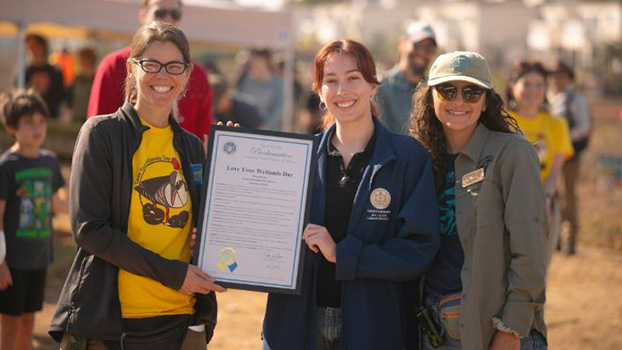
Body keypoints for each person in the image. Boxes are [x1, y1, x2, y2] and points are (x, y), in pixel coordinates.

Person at [49, 22, 224, 350]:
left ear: (187, 75)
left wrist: (235, 161)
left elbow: (208, 228)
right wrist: (174, 274)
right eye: (151, 65)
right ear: (132, 68)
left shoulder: (191, 147)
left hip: (181, 323)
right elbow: (89, 230)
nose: (163, 76)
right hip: (114, 325)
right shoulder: (101, 134)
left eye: (174, 66)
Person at [262, 39, 439, 350]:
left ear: (373, 85)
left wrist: (342, 255)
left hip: (375, 327)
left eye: (353, 78)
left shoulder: (409, 158)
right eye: (331, 81)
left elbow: (418, 251)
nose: (342, 90)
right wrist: (232, 161)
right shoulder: (294, 159)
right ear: (319, 91)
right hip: (297, 326)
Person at [411, 51, 548, 350]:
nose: (459, 101)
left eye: (471, 92)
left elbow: (532, 248)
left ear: (486, 101)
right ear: (430, 97)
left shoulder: (512, 154)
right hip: (432, 328)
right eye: (448, 90)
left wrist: (512, 327)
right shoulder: (419, 160)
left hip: (492, 328)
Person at [86, 0, 214, 140]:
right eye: (160, 13)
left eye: (175, 14)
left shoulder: (198, 75)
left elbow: (204, 137)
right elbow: (98, 130)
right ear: (143, 16)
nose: (168, 19)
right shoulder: (113, 65)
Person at [0, 89, 66, 350]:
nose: (37, 128)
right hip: (11, 262)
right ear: (11, 127)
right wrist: (1, 262)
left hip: (38, 258)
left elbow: (58, 204)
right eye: (29, 122)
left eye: (41, 122)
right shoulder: (7, 166)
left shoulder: (50, 162)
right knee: (10, 322)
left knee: (29, 320)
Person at [507, 60, 574, 265]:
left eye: (539, 85)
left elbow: (554, 172)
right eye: (527, 84)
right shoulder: (501, 121)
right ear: (512, 87)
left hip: (545, 206)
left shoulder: (557, 125)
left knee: (538, 270)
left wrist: (545, 198)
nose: (533, 91)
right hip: (506, 204)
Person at [547, 61, 591, 255]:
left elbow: (584, 127)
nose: (557, 78)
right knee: (551, 196)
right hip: (546, 156)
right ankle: (553, 238)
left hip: (568, 155)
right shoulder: (545, 97)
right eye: (554, 74)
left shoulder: (575, 99)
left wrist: (561, 137)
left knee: (567, 196)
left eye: (561, 75)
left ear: (568, 77)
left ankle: (569, 240)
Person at [376, 21, 438, 134]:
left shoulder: (435, 90)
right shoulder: (381, 87)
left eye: (429, 48)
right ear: (402, 44)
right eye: (417, 45)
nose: (422, 52)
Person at [236, 49, 284, 131]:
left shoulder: (277, 84)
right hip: (247, 128)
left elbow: (278, 108)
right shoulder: (246, 81)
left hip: (268, 130)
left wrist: (265, 125)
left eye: (258, 60)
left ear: (265, 61)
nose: (255, 63)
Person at [22, 34, 65, 119]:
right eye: (29, 47)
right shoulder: (24, 71)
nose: (31, 50)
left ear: (43, 47)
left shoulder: (55, 72)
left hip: (50, 116)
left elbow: (60, 96)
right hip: (28, 116)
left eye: (34, 46)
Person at [66, 47, 97, 122]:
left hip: (92, 120)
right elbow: (68, 100)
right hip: (76, 119)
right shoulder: (76, 80)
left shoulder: (97, 79)